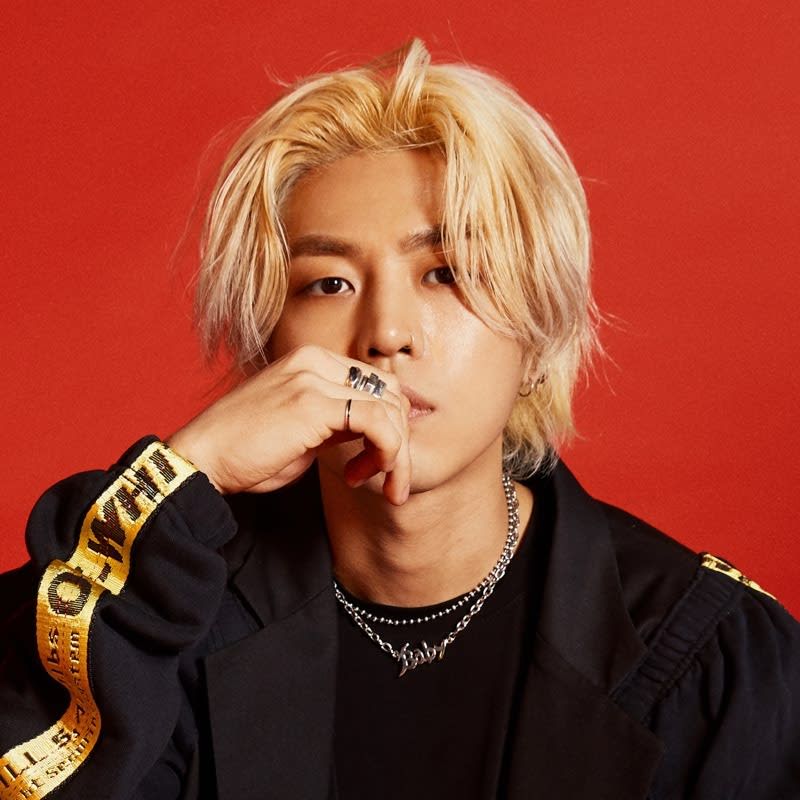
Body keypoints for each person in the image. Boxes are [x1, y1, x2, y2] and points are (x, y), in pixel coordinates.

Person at [0, 39, 798, 800]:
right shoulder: (164, 617)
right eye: (328, 284)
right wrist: (185, 474)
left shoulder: (708, 654)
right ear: (267, 345)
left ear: (538, 333)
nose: (385, 333)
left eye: (446, 273)